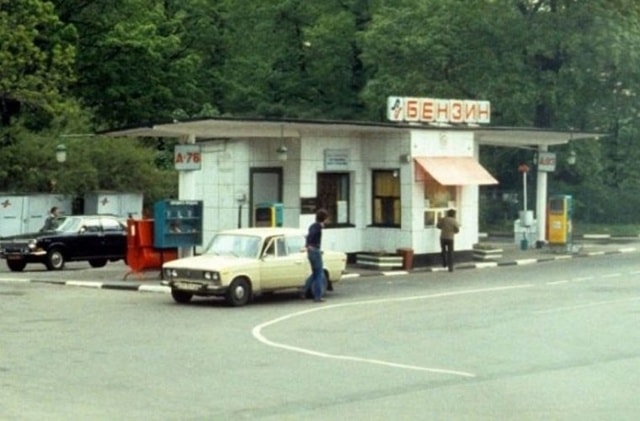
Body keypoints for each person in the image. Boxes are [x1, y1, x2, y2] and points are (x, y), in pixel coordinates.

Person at [301, 209, 329, 302]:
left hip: (311, 251)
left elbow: (308, 236)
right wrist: (310, 246)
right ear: (324, 219)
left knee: (315, 273)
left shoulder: (312, 226)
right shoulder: (317, 227)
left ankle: (304, 289)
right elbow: (311, 236)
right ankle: (317, 296)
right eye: (326, 219)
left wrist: (307, 245)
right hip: (315, 251)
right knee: (319, 274)